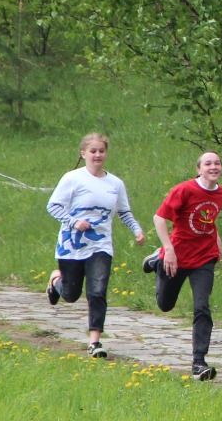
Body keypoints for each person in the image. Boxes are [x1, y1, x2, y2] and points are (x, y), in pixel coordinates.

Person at [44, 132, 146, 358]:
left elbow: (124, 211)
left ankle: (95, 342)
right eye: (93, 151)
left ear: (106, 154)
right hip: (71, 246)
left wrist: (137, 230)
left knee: (97, 291)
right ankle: (56, 280)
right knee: (70, 294)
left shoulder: (115, 183)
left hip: (100, 247)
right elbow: (52, 207)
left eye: (101, 151)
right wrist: (73, 222)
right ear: (83, 154)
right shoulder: (72, 178)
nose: (97, 155)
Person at [144, 151, 222, 380]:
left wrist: (217, 241)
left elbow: (209, 219)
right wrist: (168, 249)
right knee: (165, 305)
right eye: (208, 163)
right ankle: (157, 259)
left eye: (217, 163)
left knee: (202, 307)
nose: (213, 166)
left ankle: (199, 363)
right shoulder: (185, 190)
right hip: (177, 257)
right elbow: (159, 218)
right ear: (199, 169)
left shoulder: (220, 193)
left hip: (204, 258)